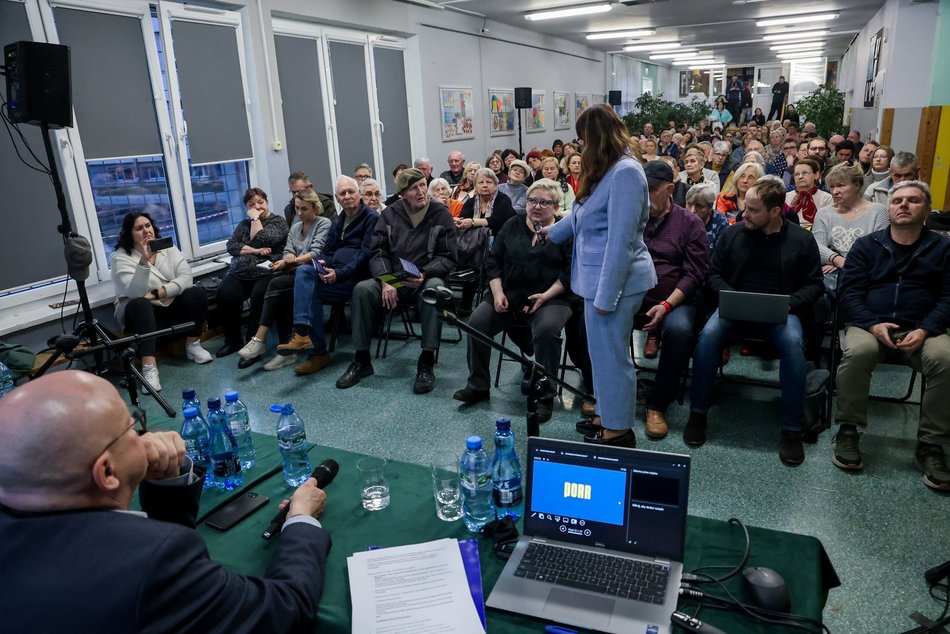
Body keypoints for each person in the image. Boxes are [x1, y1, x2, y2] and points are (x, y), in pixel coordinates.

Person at [0, 371, 331, 632]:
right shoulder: (151, 565)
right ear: (106, 471)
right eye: (133, 427)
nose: (145, 435)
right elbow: (282, 611)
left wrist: (167, 478)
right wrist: (300, 519)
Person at [687, 177, 823, 465]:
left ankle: (791, 428)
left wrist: (788, 305)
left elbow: (814, 285)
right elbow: (712, 274)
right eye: (744, 208)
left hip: (782, 313)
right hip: (734, 307)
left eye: (752, 210)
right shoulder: (734, 235)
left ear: (775, 212)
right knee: (708, 337)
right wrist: (730, 296)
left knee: (793, 344)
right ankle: (698, 412)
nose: (743, 215)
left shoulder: (801, 240)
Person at [547, 104, 657, 448]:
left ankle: (619, 429)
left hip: (616, 285)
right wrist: (551, 232)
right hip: (595, 282)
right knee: (601, 355)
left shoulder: (626, 172)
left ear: (596, 138)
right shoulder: (606, 170)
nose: (580, 146)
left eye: (583, 139)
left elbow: (621, 241)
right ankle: (605, 415)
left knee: (613, 359)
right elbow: (583, 214)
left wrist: (607, 297)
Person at [834, 181, 950, 491]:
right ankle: (848, 429)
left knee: (945, 358)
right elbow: (849, 294)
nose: (903, 205)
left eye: (913, 200)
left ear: (926, 209)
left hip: (923, 327)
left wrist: (925, 329)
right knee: (857, 353)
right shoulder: (867, 245)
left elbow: (948, 298)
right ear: (889, 208)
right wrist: (873, 324)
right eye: (897, 200)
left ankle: (931, 444)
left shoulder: (943, 249)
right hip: (870, 324)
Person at [453, 179, 573, 423]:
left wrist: (546, 296)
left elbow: (570, 273)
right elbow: (494, 262)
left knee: (548, 330)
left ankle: (546, 394)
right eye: (532, 200)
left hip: (551, 296)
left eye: (544, 202)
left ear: (556, 206)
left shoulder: (564, 231)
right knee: (476, 323)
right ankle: (478, 385)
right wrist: (497, 293)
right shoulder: (512, 224)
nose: (537, 206)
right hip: (509, 293)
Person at [336, 168, 457, 393]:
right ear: (402, 194)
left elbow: (449, 256)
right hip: (395, 279)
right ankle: (362, 359)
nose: (421, 191)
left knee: (435, 289)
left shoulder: (440, 213)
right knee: (362, 289)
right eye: (414, 188)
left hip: (425, 279)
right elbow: (378, 251)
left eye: (423, 185)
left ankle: (426, 361)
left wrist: (425, 274)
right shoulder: (390, 214)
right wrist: (387, 280)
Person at [276, 176, 379, 376]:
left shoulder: (371, 218)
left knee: (309, 289)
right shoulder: (339, 221)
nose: (347, 196)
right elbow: (328, 250)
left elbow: (365, 254)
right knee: (305, 271)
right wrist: (321, 262)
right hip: (334, 272)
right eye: (342, 193)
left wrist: (338, 273)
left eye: (351, 191)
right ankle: (304, 333)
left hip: (357, 277)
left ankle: (316, 350)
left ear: (359, 194)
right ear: (337, 198)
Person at [638, 161, 710, 439]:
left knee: (679, 330)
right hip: (634, 295)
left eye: (650, 191)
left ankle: (657, 404)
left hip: (674, 298)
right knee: (592, 317)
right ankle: (603, 393)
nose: (643, 198)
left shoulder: (689, 222)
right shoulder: (633, 218)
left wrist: (667, 304)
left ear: (669, 189)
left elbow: (695, 273)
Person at [110, 211, 211, 391]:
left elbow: (186, 277)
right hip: (136, 308)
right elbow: (136, 292)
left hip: (164, 299)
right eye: (139, 228)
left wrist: (158, 293)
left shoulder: (167, 247)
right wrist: (143, 260)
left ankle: (193, 345)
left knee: (197, 292)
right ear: (130, 234)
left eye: (148, 226)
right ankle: (149, 367)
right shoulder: (120, 257)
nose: (146, 231)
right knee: (141, 304)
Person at [237, 190, 331, 370]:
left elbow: (316, 252)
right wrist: (287, 257)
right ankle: (268, 341)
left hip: (313, 271)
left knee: (277, 285)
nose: (300, 213)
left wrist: (291, 260)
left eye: (304, 209)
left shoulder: (323, 223)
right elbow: (289, 248)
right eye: (297, 208)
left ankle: (262, 339)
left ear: (315, 207)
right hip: (295, 270)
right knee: (275, 285)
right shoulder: (296, 226)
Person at [215, 188, 289, 358]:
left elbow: (261, 238)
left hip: (266, 273)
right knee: (225, 294)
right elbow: (232, 246)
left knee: (258, 297)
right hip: (240, 271)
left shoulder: (278, 222)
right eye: (251, 205)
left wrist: (255, 218)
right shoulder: (243, 225)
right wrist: (255, 251)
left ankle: (253, 345)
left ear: (267, 202)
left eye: (260, 202)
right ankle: (233, 342)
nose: (257, 206)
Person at [812, 163, 888, 293]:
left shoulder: (878, 211)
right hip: (832, 274)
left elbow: (880, 248)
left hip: (867, 272)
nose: (835, 192)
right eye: (832, 187)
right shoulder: (824, 213)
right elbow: (817, 246)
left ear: (857, 185)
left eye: (841, 185)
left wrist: (847, 263)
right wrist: (837, 259)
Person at [457, 168, 517, 236]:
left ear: (495, 185)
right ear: (475, 187)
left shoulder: (504, 200)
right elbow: (463, 218)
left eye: (489, 182)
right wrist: (458, 221)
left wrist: (472, 222)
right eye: (481, 182)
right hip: (476, 242)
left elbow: (495, 221)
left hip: (501, 239)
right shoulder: (471, 201)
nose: (485, 185)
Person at [786, 157, 833, 228]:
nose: (800, 177)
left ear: (816, 175)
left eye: (805, 173)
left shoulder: (826, 198)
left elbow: (828, 223)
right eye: (797, 174)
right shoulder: (785, 197)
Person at [687, 182, 730, 254]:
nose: (692, 211)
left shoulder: (721, 222)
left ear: (710, 207)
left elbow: (718, 257)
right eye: (689, 204)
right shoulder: (681, 218)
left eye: (699, 206)